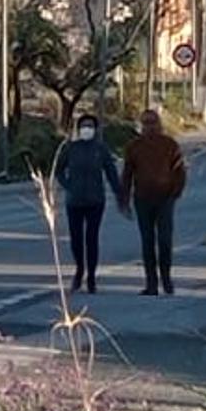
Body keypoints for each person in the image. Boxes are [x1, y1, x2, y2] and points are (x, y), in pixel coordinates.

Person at [53, 113, 121, 294]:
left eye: (90, 126)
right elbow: (58, 170)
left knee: (91, 238)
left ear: (96, 129)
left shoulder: (101, 149)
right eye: (84, 125)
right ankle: (79, 270)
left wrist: (119, 193)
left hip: (95, 200)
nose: (87, 129)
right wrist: (68, 185)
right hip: (74, 201)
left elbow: (111, 173)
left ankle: (91, 276)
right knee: (76, 239)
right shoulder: (70, 148)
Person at [121, 108, 186, 295]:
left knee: (165, 240)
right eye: (145, 123)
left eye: (152, 122)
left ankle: (166, 279)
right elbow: (127, 174)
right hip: (142, 199)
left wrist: (175, 193)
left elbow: (179, 171)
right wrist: (124, 199)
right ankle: (151, 283)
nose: (149, 127)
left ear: (159, 124)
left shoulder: (170, 145)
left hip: (165, 199)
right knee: (147, 241)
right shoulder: (134, 147)